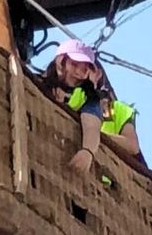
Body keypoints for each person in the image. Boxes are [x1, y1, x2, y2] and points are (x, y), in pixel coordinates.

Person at [39, 40, 142, 172]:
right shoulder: (50, 87)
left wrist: (92, 138)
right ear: (60, 61)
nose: (79, 73)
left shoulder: (94, 101)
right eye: (74, 65)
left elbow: (132, 146)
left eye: (85, 69)